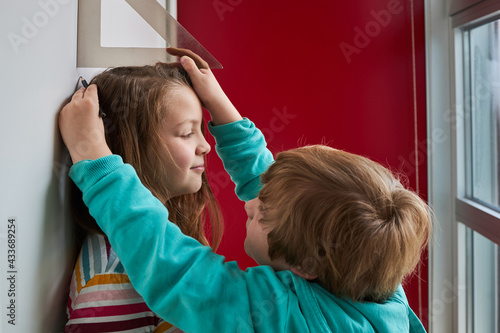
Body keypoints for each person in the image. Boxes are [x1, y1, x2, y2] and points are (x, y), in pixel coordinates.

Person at [59, 48, 432, 332]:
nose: (253, 203)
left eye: (263, 213)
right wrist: (219, 106)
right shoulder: (371, 276)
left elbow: (178, 272)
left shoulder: (285, 317)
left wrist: (95, 157)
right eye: (189, 133)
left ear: (304, 266)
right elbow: (274, 188)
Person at [64, 62, 223, 332]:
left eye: (200, 131)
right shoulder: (113, 277)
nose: (206, 146)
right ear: (131, 146)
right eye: (187, 133)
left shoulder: (159, 245)